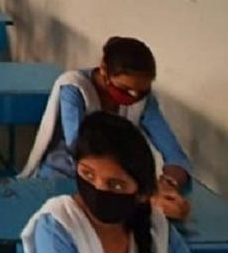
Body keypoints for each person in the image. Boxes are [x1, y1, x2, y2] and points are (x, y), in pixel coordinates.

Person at [21, 37, 192, 220]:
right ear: (104, 70)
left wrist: (168, 184)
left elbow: (175, 155)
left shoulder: (143, 100)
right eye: (126, 89)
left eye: (141, 92)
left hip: (114, 183)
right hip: (62, 177)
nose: (134, 97)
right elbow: (81, 150)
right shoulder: (75, 88)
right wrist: (143, 193)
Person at [20, 112, 199, 253]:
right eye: (88, 174)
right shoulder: (58, 225)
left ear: (142, 194)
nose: (98, 189)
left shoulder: (157, 228)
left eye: (116, 185)